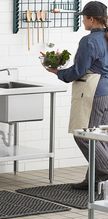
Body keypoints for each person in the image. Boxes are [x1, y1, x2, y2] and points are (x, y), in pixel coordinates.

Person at [46, 1, 108, 190]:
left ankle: (105, 169)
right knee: (101, 136)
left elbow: (79, 71)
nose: (82, 22)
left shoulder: (89, 41)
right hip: (107, 91)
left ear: (91, 19)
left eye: (83, 18)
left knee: (83, 134)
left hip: (94, 92)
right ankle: (93, 180)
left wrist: (58, 72)